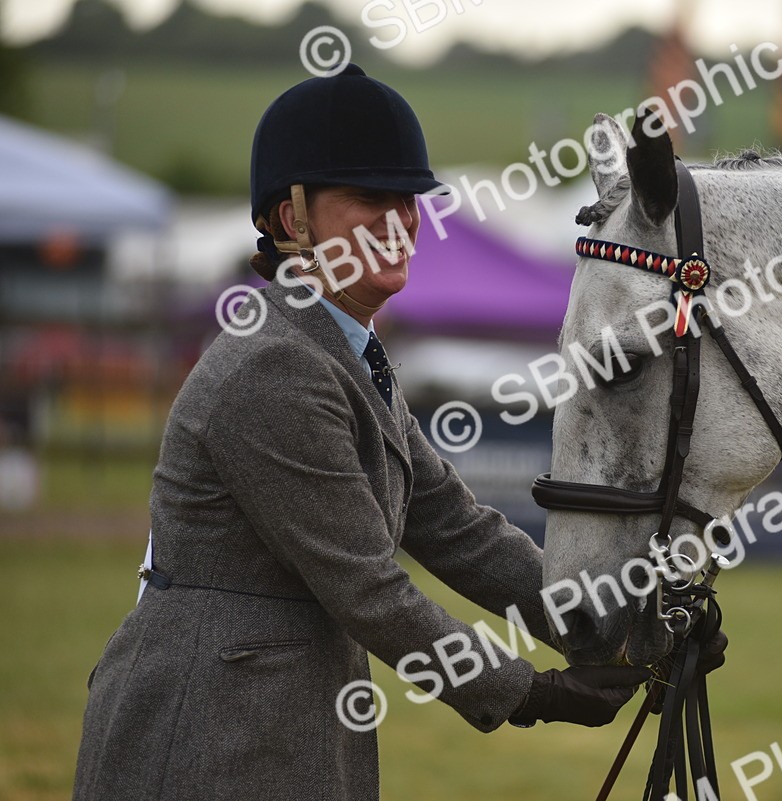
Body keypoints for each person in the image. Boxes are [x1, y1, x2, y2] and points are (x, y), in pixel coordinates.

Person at [71, 65, 669, 801]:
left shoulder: (342, 350)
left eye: (408, 200)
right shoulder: (274, 366)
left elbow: (457, 529)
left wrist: (629, 626)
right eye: (369, 199)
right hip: (209, 731)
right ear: (292, 221)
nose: (402, 221)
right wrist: (530, 692)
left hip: (285, 722)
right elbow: (371, 590)